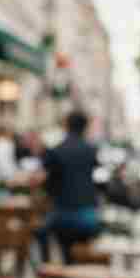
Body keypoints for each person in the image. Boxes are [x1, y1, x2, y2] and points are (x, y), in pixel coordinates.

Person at [42, 109, 102, 260]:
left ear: (66, 125)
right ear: (85, 127)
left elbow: (47, 181)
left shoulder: (56, 150)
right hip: (88, 215)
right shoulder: (91, 150)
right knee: (84, 254)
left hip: (63, 214)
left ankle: (49, 274)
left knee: (41, 234)